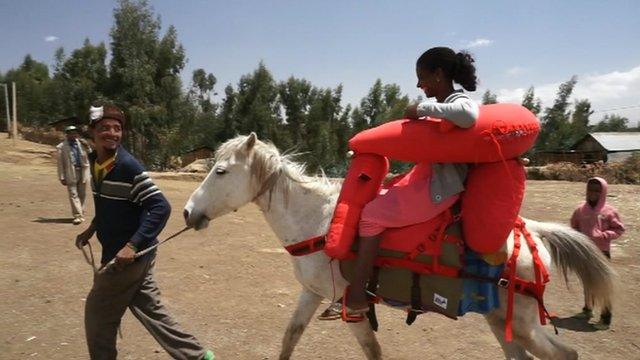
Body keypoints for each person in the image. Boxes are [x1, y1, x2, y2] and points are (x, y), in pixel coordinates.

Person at [320, 47, 480, 319]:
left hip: (439, 190)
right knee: (379, 195)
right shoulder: (446, 103)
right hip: (428, 177)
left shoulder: (459, 100)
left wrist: (422, 108)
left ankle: (357, 297)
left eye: (422, 77)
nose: (419, 84)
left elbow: (469, 116)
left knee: (369, 217)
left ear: (439, 74)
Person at [75, 105, 214, 360]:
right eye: (105, 128)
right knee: (153, 313)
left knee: (97, 317)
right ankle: (200, 357)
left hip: (128, 258)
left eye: (117, 129)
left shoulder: (128, 166)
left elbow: (160, 207)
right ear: (92, 132)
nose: (112, 133)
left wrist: (132, 245)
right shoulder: (97, 162)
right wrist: (92, 228)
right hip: (134, 255)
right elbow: (109, 204)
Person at [570, 177, 624, 330]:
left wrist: (603, 235)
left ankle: (605, 319)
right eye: (590, 190)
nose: (592, 193)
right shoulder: (580, 209)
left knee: (603, 285)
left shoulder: (609, 211)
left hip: (602, 253)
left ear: (603, 192)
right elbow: (573, 227)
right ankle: (587, 310)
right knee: (588, 283)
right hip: (585, 253)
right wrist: (578, 239)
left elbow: (619, 229)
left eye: (597, 191)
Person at [56, 125, 91, 224]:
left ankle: (81, 212)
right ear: (66, 135)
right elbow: (60, 163)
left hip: (83, 171)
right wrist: (61, 177)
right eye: (71, 133)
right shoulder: (61, 147)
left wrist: (88, 146)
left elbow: (91, 154)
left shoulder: (82, 144)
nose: (73, 135)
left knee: (82, 194)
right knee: (73, 194)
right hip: (71, 172)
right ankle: (77, 215)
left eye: (75, 133)